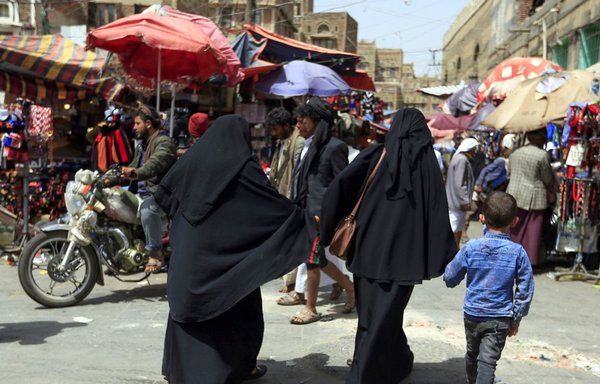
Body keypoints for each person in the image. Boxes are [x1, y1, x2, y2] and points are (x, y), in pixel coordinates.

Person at [154, 115, 310, 384]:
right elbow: (269, 206)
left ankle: (182, 371)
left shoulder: (192, 161)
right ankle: (240, 366)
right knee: (241, 302)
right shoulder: (244, 168)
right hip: (225, 257)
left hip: (189, 257)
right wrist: (301, 220)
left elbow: (165, 196)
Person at [320, 108, 457, 384]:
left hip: (367, 251)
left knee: (371, 316)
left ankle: (394, 361)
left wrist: (327, 224)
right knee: (385, 315)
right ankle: (362, 376)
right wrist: (441, 254)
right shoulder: (426, 162)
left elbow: (341, 185)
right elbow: (437, 209)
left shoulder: (376, 154)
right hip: (404, 259)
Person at [444, 191, 535, 384]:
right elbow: (525, 289)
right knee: (488, 361)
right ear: (515, 221)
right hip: (499, 317)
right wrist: (516, 318)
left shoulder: (471, 247)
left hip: (472, 313)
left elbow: (450, 277)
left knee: (472, 352)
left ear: (482, 218)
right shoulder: (518, 253)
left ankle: (473, 380)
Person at [288, 97, 355, 325]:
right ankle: (349, 287)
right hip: (305, 211)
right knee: (315, 258)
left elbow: (343, 184)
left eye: (302, 121)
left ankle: (311, 307)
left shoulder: (336, 147)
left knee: (312, 260)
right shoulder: (308, 146)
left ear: (317, 122)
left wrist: (331, 214)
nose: (298, 125)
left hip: (321, 215)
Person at [120, 104, 176, 273]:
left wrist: (136, 173)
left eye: (137, 123)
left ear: (149, 124)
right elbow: (130, 168)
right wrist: (108, 179)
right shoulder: (142, 146)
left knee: (147, 210)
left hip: (161, 194)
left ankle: (155, 251)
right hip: (143, 192)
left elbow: (154, 165)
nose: (134, 127)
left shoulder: (164, 142)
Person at [265, 107, 305, 294]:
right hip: (281, 197)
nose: (273, 132)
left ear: (285, 126)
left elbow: (296, 174)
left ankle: (292, 284)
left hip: (292, 199)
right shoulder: (282, 143)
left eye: (275, 128)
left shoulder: (298, 143)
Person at [506, 128, 553, 266]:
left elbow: (509, 172)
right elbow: (547, 178)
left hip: (514, 194)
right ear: (536, 138)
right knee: (533, 232)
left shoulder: (515, 153)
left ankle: (510, 258)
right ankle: (529, 261)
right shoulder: (542, 155)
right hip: (534, 197)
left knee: (514, 230)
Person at [446, 137, 478, 246]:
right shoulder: (462, 160)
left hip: (453, 201)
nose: (475, 152)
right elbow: (460, 184)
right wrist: (465, 201)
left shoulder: (458, 158)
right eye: (474, 149)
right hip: (456, 203)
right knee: (454, 229)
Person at [474, 133, 516, 198]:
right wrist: (479, 184)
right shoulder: (501, 161)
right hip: (491, 187)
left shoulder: (510, 160)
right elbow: (485, 170)